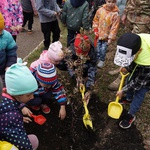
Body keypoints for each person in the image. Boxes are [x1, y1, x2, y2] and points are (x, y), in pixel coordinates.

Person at [108, 0, 150, 91]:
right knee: (126, 43)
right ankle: (121, 67)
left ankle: (121, 77)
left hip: (144, 17)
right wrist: (125, 12)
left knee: (133, 48)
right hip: (131, 14)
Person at [113, 32, 150, 129]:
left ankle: (131, 115)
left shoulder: (147, 61)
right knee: (129, 79)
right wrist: (127, 66)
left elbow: (138, 83)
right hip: (140, 63)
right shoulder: (133, 41)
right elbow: (131, 57)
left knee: (139, 92)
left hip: (147, 73)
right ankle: (128, 99)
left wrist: (123, 90)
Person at [0, 59, 39, 149]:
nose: (32, 97)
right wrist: (16, 119)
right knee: (34, 141)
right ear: (17, 95)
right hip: (4, 143)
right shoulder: (11, 117)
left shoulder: (4, 92)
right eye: (28, 95)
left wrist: (20, 114)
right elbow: (21, 142)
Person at [60, 31, 97, 103]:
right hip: (75, 64)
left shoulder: (92, 51)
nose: (81, 57)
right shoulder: (71, 50)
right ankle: (79, 76)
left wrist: (89, 88)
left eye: (84, 55)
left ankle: (84, 76)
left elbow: (92, 68)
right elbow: (69, 65)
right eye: (80, 55)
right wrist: (75, 76)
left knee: (86, 66)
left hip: (84, 65)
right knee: (62, 63)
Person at [92, 0, 120, 68]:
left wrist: (110, 38)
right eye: (109, 2)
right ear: (106, 1)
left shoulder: (115, 14)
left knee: (103, 49)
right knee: (97, 47)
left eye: (113, 2)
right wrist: (95, 29)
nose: (110, 4)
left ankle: (102, 60)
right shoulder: (100, 10)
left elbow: (114, 28)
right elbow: (96, 20)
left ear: (115, 2)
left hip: (106, 37)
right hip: (99, 34)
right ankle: (97, 58)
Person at [0, 12, 18, 87]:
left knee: (4, 90)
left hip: (3, 71)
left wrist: (9, 65)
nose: (0, 33)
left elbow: (11, 52)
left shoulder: (6, 35)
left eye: (1, 30)